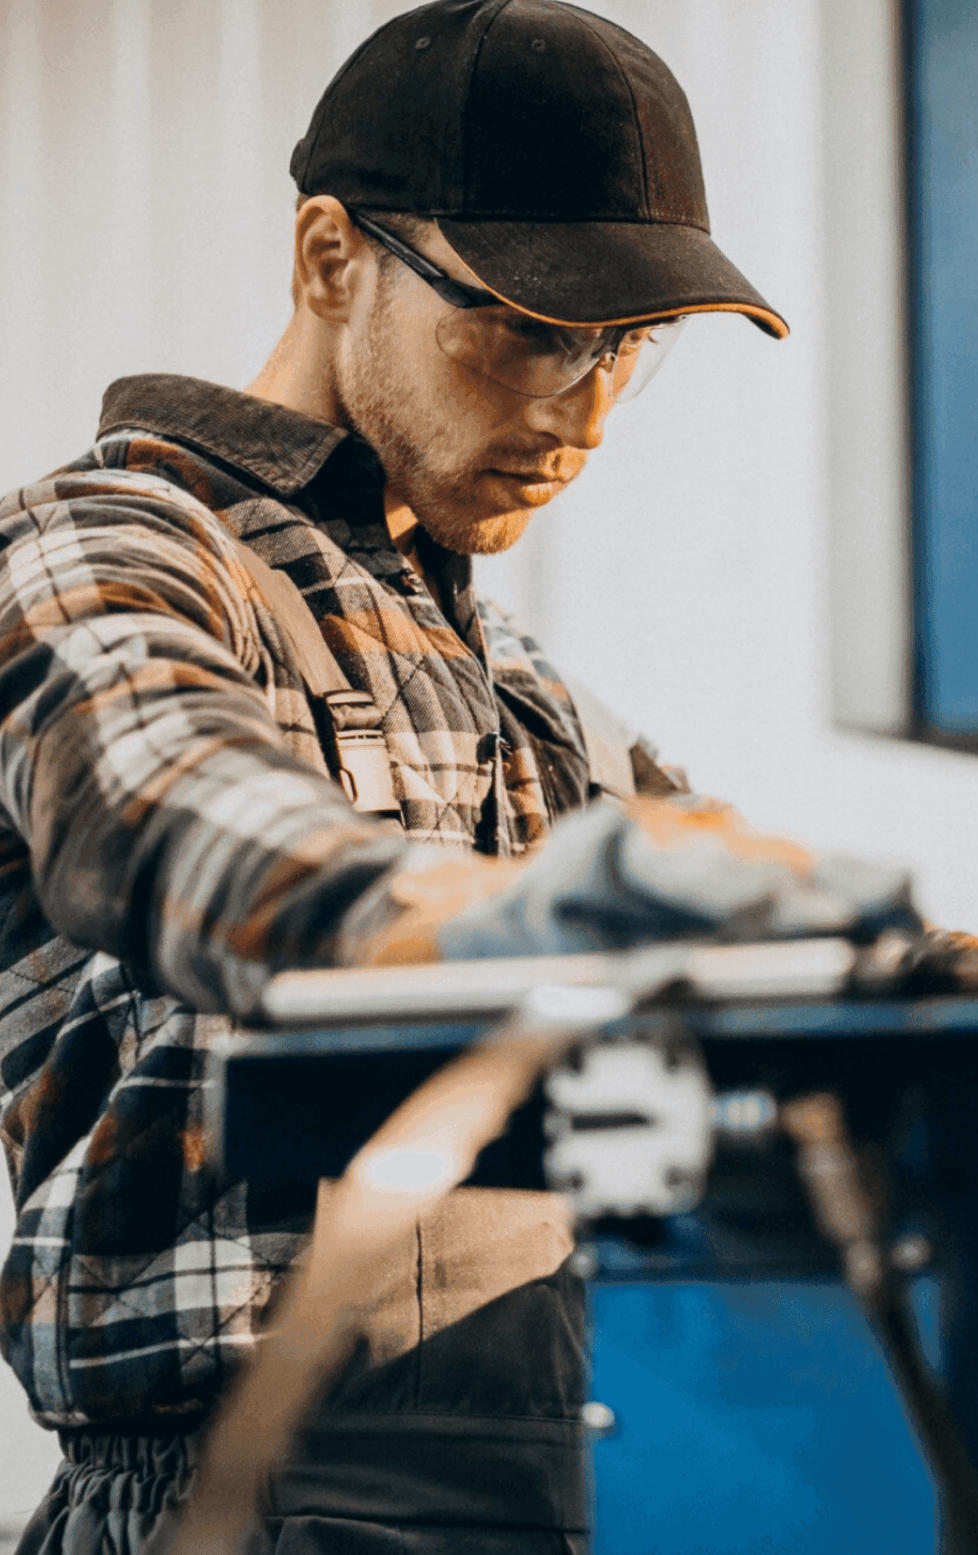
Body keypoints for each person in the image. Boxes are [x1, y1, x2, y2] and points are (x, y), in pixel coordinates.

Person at [0, 2, 910, 1550]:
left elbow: (777, 965)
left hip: (550, 1472)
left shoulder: (526, 693)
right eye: (531, 329)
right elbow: (174, 813)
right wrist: (503, 925)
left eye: (628, 346)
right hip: (254, 1487)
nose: (587, 409)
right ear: (330, 259)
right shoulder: (111, 548)